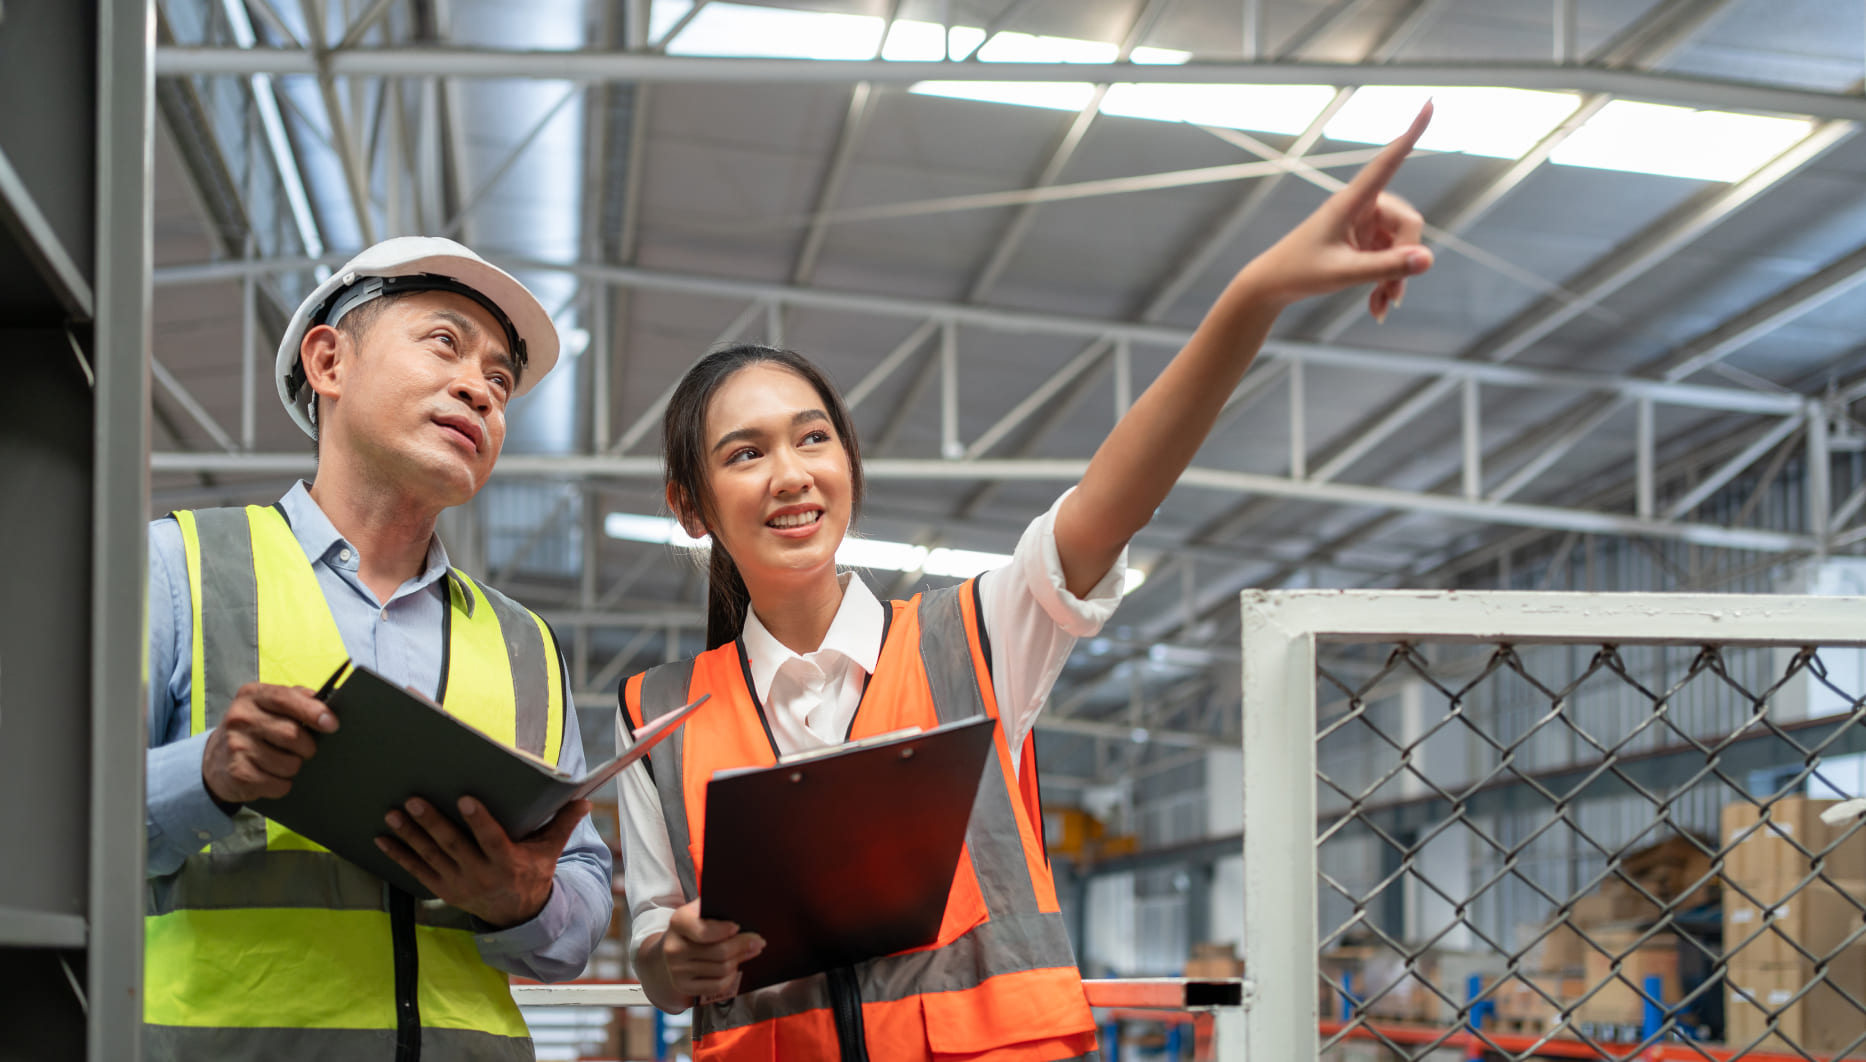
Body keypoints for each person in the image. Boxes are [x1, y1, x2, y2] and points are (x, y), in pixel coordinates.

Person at [614, 107, 1438, 1061]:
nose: (792, 474)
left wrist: (1253, 296)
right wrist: (674, 963)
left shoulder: (977, 637)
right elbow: (653, 942)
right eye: (745, 453)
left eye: (813, 437)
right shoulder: (657, 720)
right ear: (690, 504)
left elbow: (1111, 500)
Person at [143, 237, 613, 1060]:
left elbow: (579, 908)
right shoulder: (179, 568)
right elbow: (57, 829)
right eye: (444, 343)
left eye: (500, 382)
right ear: (329, 361)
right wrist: (208, 776)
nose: (480, 389)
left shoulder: (525, 645)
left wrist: (522, 900)